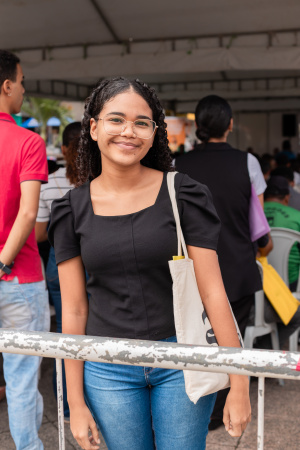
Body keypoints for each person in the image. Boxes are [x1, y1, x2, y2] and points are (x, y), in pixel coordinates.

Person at [48, 78, 251, 450]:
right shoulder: (70, 210)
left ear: (154, 132)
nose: (129, 131)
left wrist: (239, 380)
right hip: (107, 367)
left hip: (182, 358)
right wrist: (75, 403)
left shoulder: (184, 193)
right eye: (116, 120)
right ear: (93, 127)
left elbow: (212, 291)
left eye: (142, 122)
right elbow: (74, 309)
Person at [176, 94, 265, 431]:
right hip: (237, 263)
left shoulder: (178, 165)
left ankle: (201, 406)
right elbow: (256, 217)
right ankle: (224, 408)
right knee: (234, 336)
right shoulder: (248, 162)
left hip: (195, 268)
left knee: (197, 337)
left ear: (197, 126)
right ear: (230, 125)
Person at [0, 49, 49, 449]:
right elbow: (29, 211)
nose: (23, 89)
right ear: (6, 86)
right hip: (18, 277)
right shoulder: (28, 142)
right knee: (21, 377)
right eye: (22, 82)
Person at [35, 121, 81, 422]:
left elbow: (39, 235)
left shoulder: (49, 184)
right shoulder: (102, 181)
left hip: (57, 261)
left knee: (66, 332)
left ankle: (67, 408)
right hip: (96, 262)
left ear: (63, 149)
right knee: (100, 332)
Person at [264, 175, 300, 291]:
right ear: (287, 197)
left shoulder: (251, 214)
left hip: (260, 279)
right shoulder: (297, 216)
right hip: (291, 281)